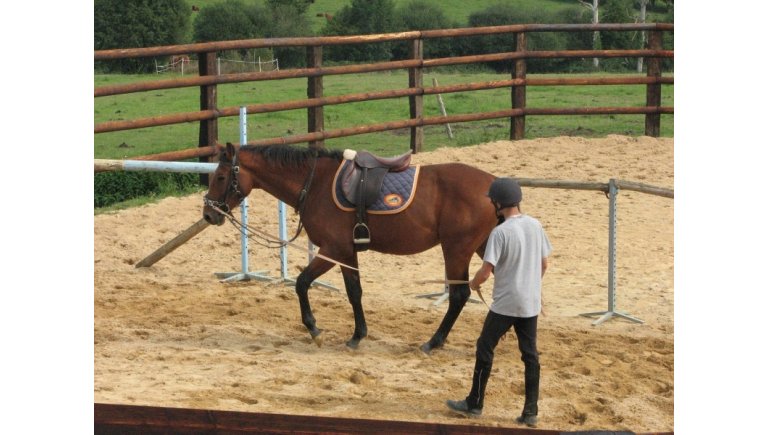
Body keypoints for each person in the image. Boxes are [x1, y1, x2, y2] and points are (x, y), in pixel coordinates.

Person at [445, 177, 552, 427]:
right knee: (530, 354)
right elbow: (544, 264)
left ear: (498, 204)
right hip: (530, 302)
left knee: (485, 346)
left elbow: (485, 272)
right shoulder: (535, 225)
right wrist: (531, 285)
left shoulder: (500, 232)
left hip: (506, 303)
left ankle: (475, 403)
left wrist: (472, 284)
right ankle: (530, 411)